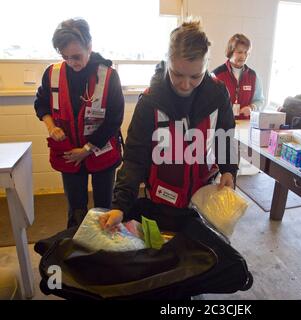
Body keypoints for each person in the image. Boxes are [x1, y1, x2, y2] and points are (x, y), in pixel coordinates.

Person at [99, 20, 252, 297]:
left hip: (202, 205)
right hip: (160, 206)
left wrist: (229, 169)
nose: (185, 84)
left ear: (206, 65)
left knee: (196, 275)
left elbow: (225, 137)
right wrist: (120, 204)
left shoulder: (218, 94)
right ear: (168, 61)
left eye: (195, 76)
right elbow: (134, 158)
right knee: (164, 277)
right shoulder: (150, 101)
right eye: (177, 74)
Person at [34, 18, 124, 228]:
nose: (72, 62)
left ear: (90, 47)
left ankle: (105, 250)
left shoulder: (109, 76)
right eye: (65, 57)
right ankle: (76, 249)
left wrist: (87, 149)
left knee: (104, 207)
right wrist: (51, 126)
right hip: (69, 153)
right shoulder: (52, 73)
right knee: (76, 208)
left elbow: (114, 119)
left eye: (77, 56)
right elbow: (41, 103)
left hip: (101, 150)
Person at [212, 33, 264, 120]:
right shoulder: (216, 75)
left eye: (246, 52)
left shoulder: (254, 76)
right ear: (230, 52)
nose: (243, 56)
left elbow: (259, 100)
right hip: (222, 126)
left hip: (245, 126)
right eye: (239, 52)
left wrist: (252, 108)